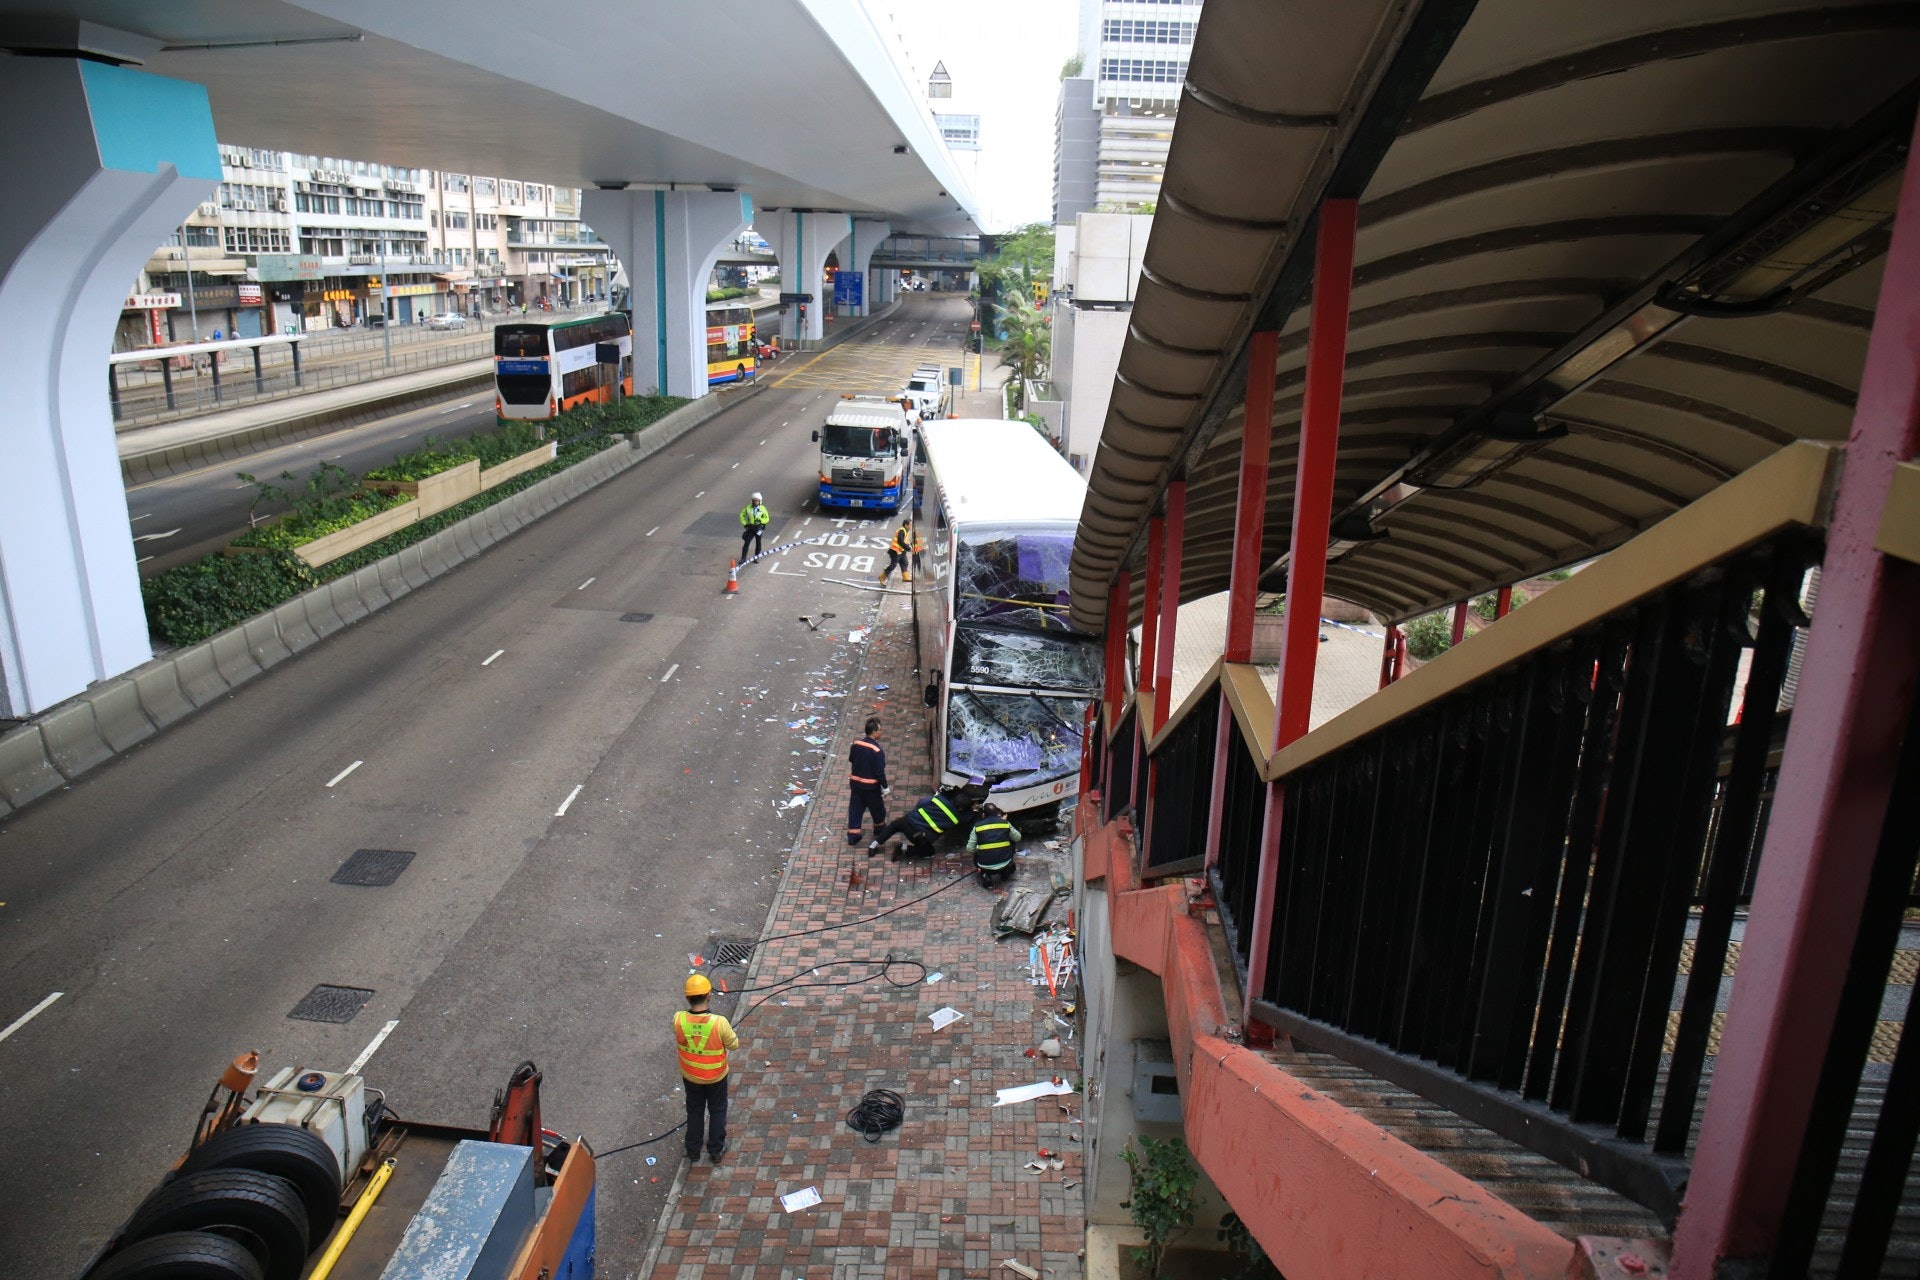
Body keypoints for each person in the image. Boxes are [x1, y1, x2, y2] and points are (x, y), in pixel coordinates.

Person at [675, 974, 739, 1164]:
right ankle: (716, 1150)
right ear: (709, 995)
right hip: (716, 1077)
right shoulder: (719, 1023)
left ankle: (693, 1150)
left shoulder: (678, 1019)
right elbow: (734, 1045)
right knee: (717, 1110)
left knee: (695, 1110)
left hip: (691, 1076)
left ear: (687, 997)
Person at [869, 781, 973, 860]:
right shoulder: (956, 819)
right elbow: (967, 819)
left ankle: (873, 846)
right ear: (962, 808)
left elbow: (920, 803)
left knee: (893, 826)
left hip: (908, 820)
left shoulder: (938, 799)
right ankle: (903, 848)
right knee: (929, 852)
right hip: (920, 835)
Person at [846, 718, 888, 846]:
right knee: (877, 809)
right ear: (874, 732)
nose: (881, 732)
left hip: (856, 784)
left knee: (855, 809)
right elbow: (879, 772)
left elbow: (851, 759)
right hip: (871, 787)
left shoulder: (857, 744)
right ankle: (879, 828)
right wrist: (885, 787)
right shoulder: (877, 750)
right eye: (880, 730)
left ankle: (853, 835)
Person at [968, 802, 1021, 887]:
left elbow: (970, 848)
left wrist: (979, 849)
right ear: (998, 813)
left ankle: (985, 874)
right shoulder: (1005, 823)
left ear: (983, 814)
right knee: (1012, 841)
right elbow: (1017, 838)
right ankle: (1005, 873)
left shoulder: (977, 826)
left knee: (976, 852)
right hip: (1005, 863)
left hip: (985, 865)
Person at [738, 492, 771, 561]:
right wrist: (745, 524)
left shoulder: (763, 509)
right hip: (751, 528)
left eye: (757, 500)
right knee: (746, 543)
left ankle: (756, 557)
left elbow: (767, 518)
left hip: (759, 528)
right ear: (752, 501)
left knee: (758, 543)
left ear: (760, 501)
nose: (756, 502)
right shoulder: (748, 508)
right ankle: (743, 558)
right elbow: (742, 515)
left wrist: (761, 520)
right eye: (754, 500)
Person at [879, 520, 913, 586]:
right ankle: (882, 577)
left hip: (901, 551)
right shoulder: (902, 531)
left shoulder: (907, 531)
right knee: (893, 566)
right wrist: (908, 548)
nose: (911, 526)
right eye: (910, 525)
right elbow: (900, 541)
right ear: (906, 525)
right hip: (895, 551)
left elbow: (905, 541)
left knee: (905, 563)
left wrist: (909, 546)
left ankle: (905, 577)